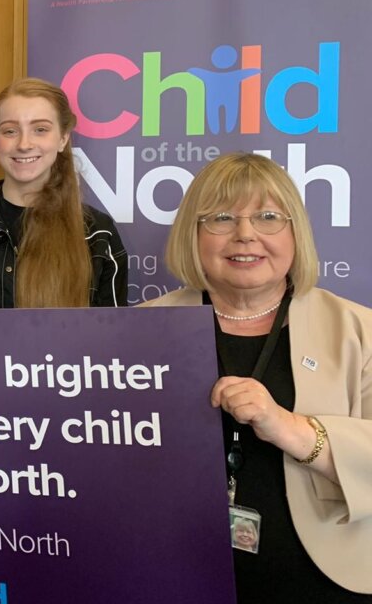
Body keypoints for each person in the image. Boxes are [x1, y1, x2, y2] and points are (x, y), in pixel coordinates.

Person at [142, 152, 372, 600]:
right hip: (171, 572)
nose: (245, 234)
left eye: (268, 216)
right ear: (194, 232)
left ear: (294, 233)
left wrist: (295, 430)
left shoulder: (359, 330)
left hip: (325, 578)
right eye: (221, 217)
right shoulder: (140, 330)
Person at [0, 77, 127, 309]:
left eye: (40, 129)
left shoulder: (97, 233)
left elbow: (110, 336)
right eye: (10, 131)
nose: (24, 144)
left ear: (63, 138)